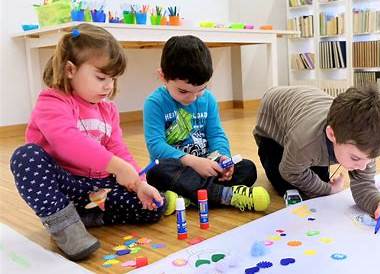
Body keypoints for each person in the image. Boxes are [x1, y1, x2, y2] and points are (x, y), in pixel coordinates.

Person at [9, 23, 166, 261]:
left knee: (152, 207)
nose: (108, 85)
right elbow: (68, 142)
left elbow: (118, 149)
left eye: (112, 79)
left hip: (97, 188)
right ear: (70, 70)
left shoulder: (108, 109)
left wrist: (139, 183)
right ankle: (65, 224)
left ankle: (85, 217)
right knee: (25, 157)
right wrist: (117, 167)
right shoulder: (51, 102)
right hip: (65, 185)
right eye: (101, 77)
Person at [143, 35, 270, 213]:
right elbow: (156, 146)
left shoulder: (208, 100)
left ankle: (188, 198)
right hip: (179, 169)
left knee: (247, 168)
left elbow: (216, 134)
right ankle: (225, 196)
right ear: (163, 77)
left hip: (207, 168)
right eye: (183, 91)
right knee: (157, 172)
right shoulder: (155, 103)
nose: (192, 97)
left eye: (200, 90)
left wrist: (223, 158)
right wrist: (193, 162)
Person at [253, 85, 380, 226]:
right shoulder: (305, 142)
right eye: (356, 158)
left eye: (371, 159)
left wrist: (379, 204)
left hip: (306, 110)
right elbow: (289, 170)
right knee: (287, 183)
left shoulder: (366, 147)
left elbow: (364, 185)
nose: (363, 166)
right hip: (272, 120)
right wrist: (328, 189)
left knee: (318, 180)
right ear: (332, 135)